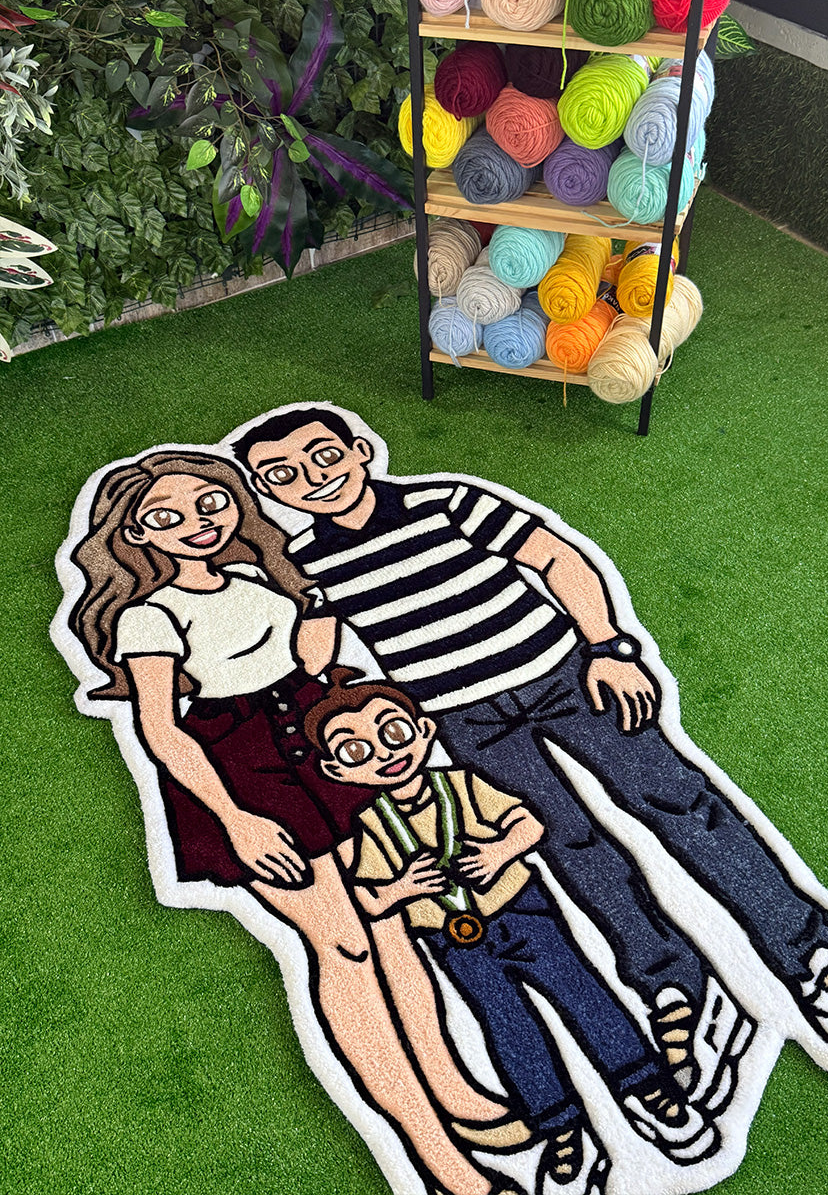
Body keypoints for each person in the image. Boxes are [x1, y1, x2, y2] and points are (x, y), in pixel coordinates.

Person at [229, 404, 828, 1096]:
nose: (311, 479)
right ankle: (672, 987)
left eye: (323, 456)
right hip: (465, 721)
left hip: (566, 676)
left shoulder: (446, 501)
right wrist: (304, 643)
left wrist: (610, 646)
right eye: (282, 475)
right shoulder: (307, 561)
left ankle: (815, 960)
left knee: (679, 801)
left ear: (360, 451)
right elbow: (318, 640)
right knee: (565, 844)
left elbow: (554, 555)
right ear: (267, 492)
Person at [64, 448, 529, 1195]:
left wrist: (314, 623)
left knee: (392, 928)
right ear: (138, 534)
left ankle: (454, 1090)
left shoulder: (255, 578)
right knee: (344, 946)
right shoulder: (150, 616)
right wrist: (236, 820)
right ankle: (435, 1153)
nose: (196, 523)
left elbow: (305, 667)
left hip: (322, 753)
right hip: (243, 775)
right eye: (167, 517)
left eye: (210, 503)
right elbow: (163, 729)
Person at [304, 667, 725, 1193]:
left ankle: (645, 1087)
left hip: (521, 911)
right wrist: (402, 888)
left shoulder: (462, 784)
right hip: (452, 939)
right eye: (356, 751)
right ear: (337, 771)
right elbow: (367, 897)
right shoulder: (372, 826)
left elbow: (529, 823)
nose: (385, 753)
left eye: (393, 732)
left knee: (582, 993)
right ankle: (561, 1127)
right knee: (508, 1028)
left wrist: (499, 851)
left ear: (424, 729)